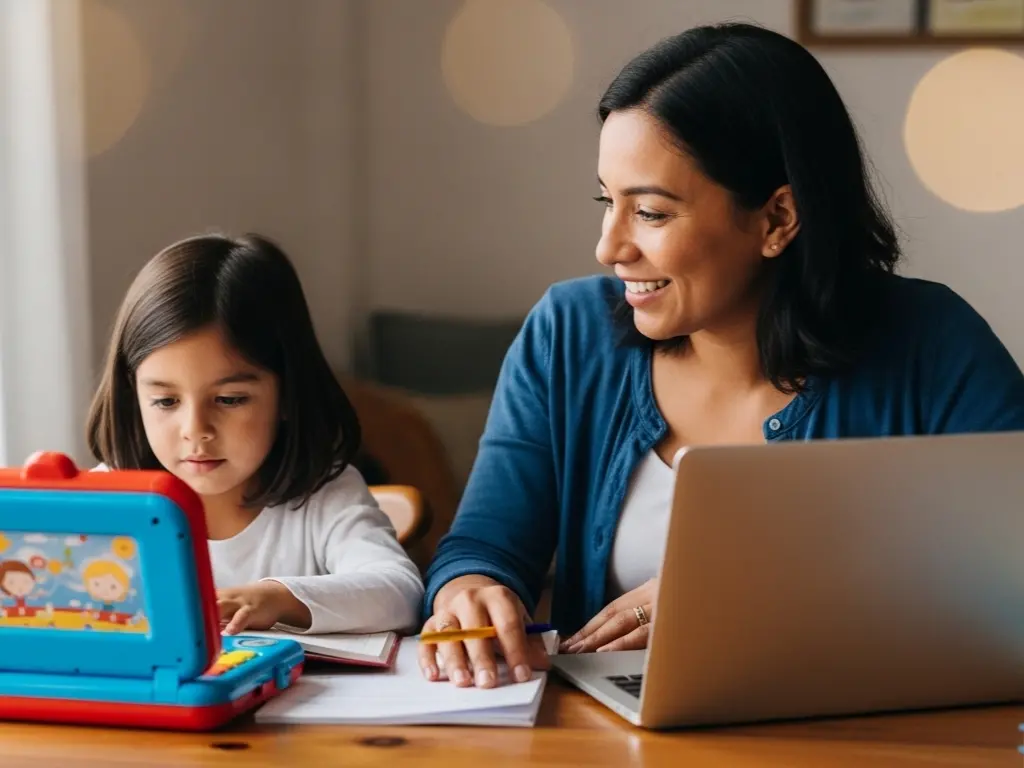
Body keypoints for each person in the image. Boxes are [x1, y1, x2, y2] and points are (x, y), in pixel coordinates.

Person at [418, 22, 1024, 688]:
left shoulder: (933, 346)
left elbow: (1005, 583)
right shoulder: (567, 335)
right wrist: (469, 590)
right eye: (606, 201)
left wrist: (754, 596)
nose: (609, 246)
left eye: (649, 212)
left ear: (776, 220)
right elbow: (485, 546)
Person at [87, 233, 424, 635]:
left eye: (230, 399)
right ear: (133, 395)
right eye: (165, 402)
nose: (196, 430)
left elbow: (399, 592)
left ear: (287, 393)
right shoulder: (106, 498)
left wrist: (276, 599)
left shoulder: (323, 496)